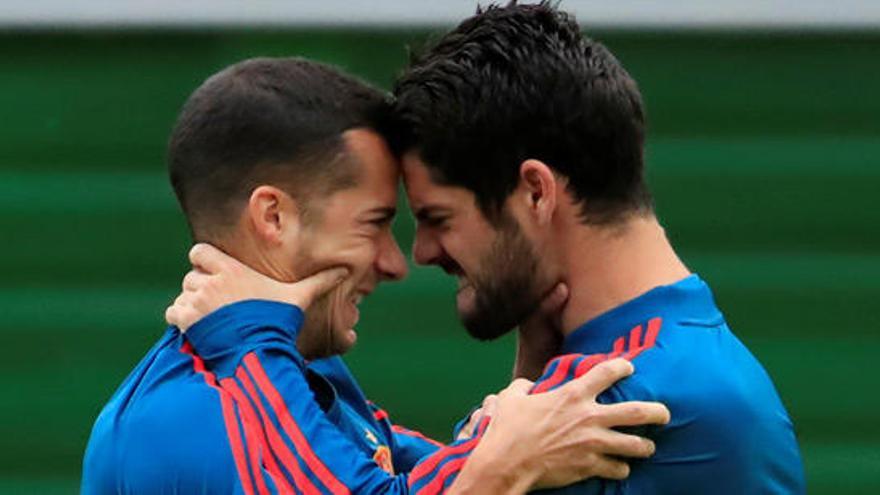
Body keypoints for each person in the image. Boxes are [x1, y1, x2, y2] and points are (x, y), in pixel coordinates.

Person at [170, 2, 807, 493]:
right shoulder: (672, 356)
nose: (419, 254)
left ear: (534, 192)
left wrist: (248, 342)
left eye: (437, 217)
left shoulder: (614, 404)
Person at [82, 56, 670, 495]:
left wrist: (524, 400)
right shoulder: (190, 419)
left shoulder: (293, 373)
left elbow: (412, 472)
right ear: (274, 217)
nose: (395, 262)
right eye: (374, 224)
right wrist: (508, 463)